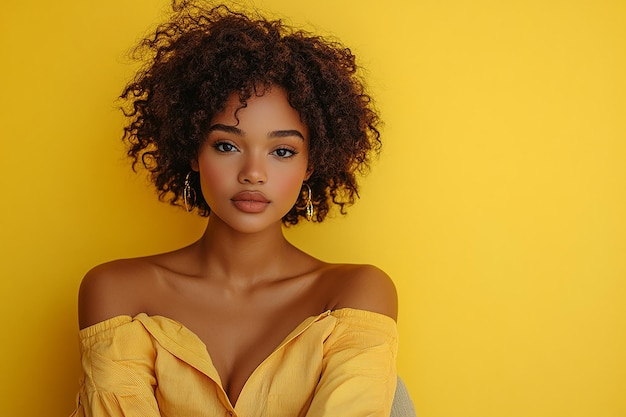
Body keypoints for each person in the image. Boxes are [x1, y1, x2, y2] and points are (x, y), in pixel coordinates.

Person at [71, 1, 398, 416]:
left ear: (310, 163)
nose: (253, 173)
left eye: (282, 150)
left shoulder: (354, 295)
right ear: (193, 149)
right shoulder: (117, 291)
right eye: (227, 145)